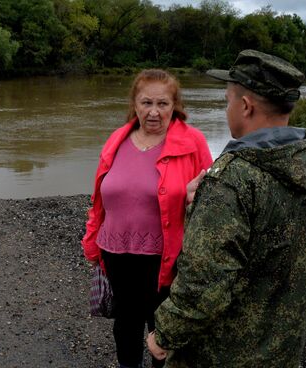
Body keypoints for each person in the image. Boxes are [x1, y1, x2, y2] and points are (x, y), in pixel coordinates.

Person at [147, 49, 306, 367]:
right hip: (285, 348)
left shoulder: (231, 179)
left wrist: (164, 334)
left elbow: (204, 287)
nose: (227, 108)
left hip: (221, 356)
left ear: (245, 106)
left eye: (227, 100)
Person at [82, 69, 213, 368]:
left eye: (162, 104)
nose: (153, 112)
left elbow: (213, 201)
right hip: (115, 251)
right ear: (135, 104)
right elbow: (99, 198)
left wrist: (194, 198)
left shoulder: (192, 142)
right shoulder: (118, 138)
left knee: (162, 328)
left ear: (175, 105)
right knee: (125, 322)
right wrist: (91, 241)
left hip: (166, 257)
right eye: (146, 103)